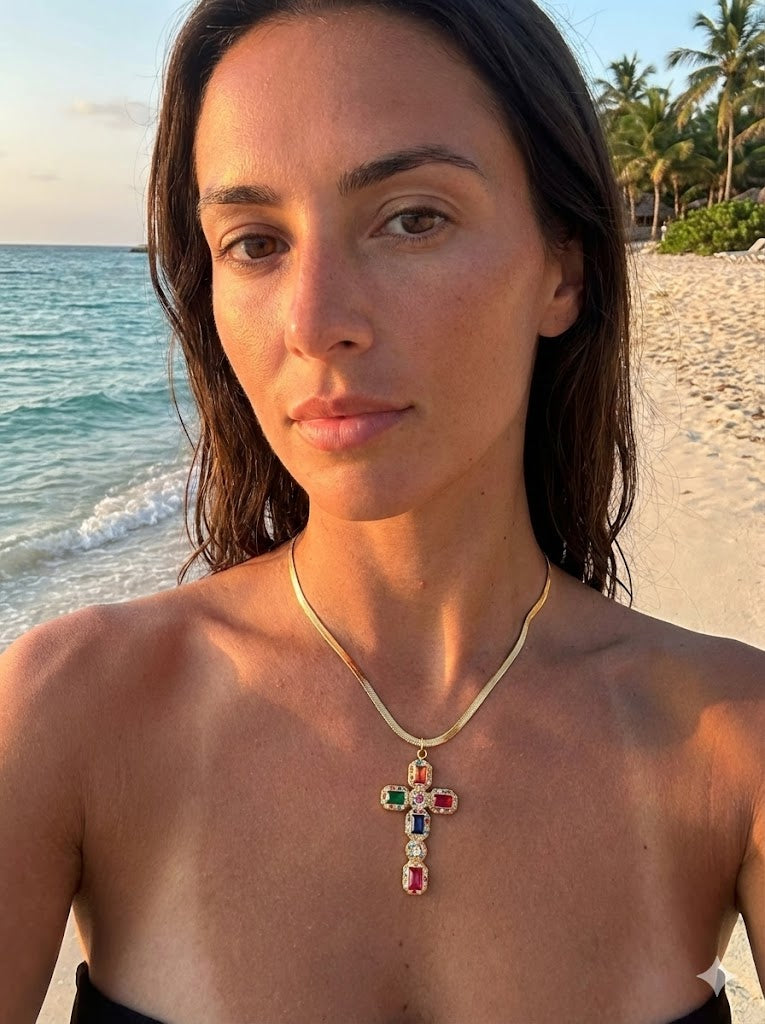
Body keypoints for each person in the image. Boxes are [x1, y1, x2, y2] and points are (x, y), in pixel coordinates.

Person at [1, 0, 762, 1021]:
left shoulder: (732, 743)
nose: (315, 321)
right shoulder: (66, 713)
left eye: (413, 219)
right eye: (255, 242)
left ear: (564, 269)